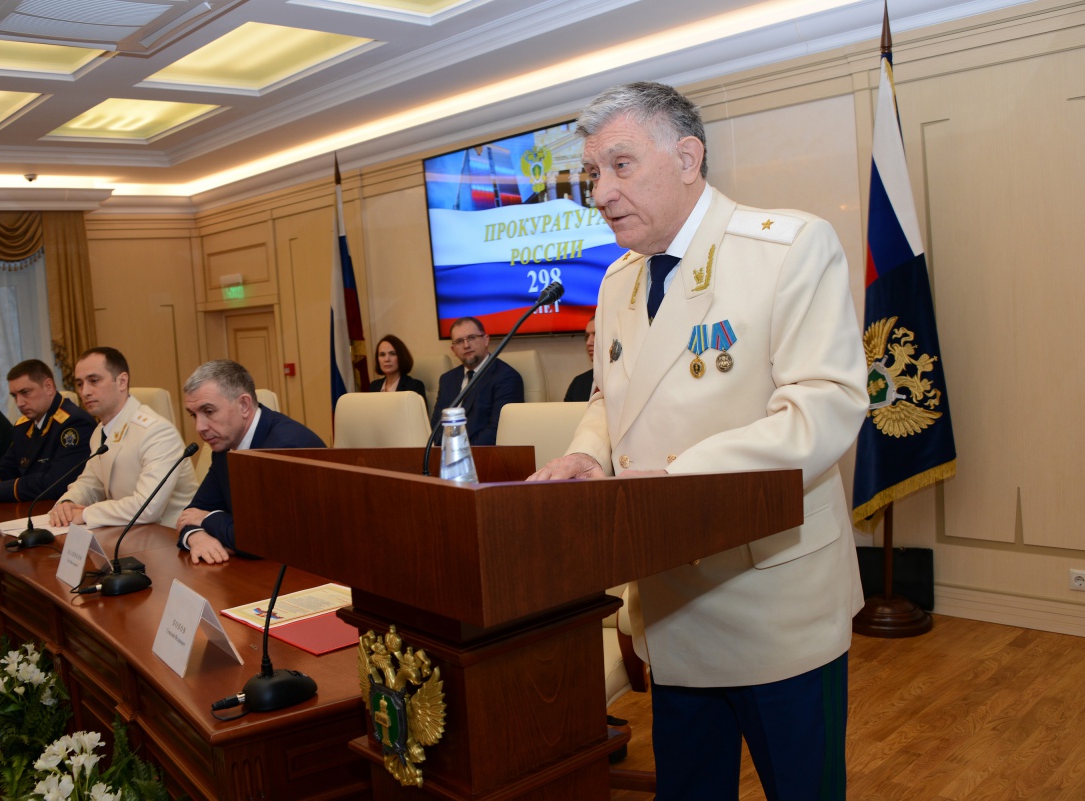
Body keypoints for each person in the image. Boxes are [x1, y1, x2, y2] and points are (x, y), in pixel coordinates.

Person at [528, 82, 868, 801]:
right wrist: (589, 452)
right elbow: (610, 399)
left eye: (621, 166)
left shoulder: (788, 248)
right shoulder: (617, 280)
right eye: (592, 173)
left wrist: (679, 478)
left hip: (773, 602)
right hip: (672, 604)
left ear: (687, 158)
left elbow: (826, 407)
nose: (600, 192)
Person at [177, 360, 326, 564]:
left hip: (313, 569)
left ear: (244, 405)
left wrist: (206, 519)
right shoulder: (224, 445)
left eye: (209, 412)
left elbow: (263, 540)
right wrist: (196, 536)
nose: (199, 427)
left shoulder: (287, 448)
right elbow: (191, 513)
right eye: (194, 415)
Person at [49, 347, 197, 529]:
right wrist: (68, 503)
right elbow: (90, 483)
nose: (85, 391)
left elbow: (147, 507)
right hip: (127, 532)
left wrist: (86, 513)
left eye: (94, 381)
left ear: (122, 381)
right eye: (79, 384)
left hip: (168, 536)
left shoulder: (157, 432)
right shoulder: (99, 431)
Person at [0, 360, 96, 503]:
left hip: (59, 507)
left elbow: (57, 482)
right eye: (14, 396)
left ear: (48, 387)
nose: (19, 403)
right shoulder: (23, 425)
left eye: (25, 393)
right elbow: (7, 466)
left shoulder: (74, 423)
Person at [428, 317, 523, 446]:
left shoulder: (506, 377)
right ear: (453, 349)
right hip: (447, 453)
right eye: (459, 341)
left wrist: (462, 451)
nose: (466, 345)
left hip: (485, 454)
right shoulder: (447, 379)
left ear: (486, 340)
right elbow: (437, 426)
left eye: (472, 337)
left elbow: (498, 430)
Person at [368, 335, 427, 401]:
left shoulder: (414, 386)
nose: (387, 359)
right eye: (382, 355)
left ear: (401, 357)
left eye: (392, 354)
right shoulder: (374, 386)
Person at [563, 316, 596, 402]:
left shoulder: (626, 381)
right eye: (587, 336)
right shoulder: (578, 384)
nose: (588, 342)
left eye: (595, 334)